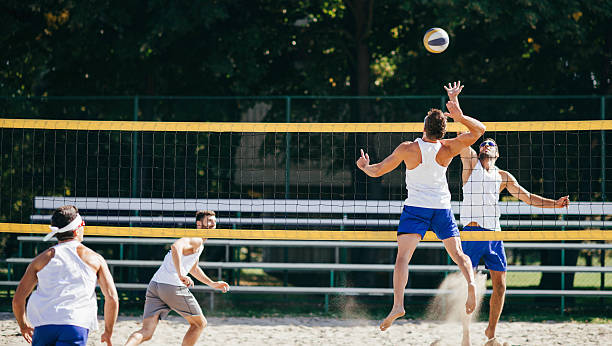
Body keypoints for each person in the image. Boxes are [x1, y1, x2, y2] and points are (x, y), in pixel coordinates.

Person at [356, 81, 485, 331]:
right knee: (459, 255)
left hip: (415, 208)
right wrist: (458, 112)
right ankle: (470, 283)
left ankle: (398, 305)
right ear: (444, 131)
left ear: (424, 128)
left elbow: (377, 171)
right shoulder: (449, 147)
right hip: (441, 208)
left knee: (403, 258)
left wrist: (363, 167)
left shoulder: (408, 148)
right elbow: (480, 130)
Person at [454, 91, 570, 346]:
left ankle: (490, 333)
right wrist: (457, 110)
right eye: (484, 144)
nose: (486, 146)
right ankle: (465, 336)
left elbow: (528, 197)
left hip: (494, 235)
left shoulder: (503, 176)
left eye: (491, 145)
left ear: (497, 154)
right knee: (468, 286)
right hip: (473, 233)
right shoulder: (471, 162)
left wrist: (556, 205)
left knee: (501, 284)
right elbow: (467, 137)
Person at [12, 205, 119, 345]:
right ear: (76, 229)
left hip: (44, 325)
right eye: (83, 224)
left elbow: (18, 299)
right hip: (75, 323)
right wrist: (108, 332)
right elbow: (112, 298)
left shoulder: (40, 260)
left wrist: (24, 326)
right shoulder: (94, 259)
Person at [125, 210, 230, 346]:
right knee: (199, 324)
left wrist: (212, 283)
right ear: (199, 224)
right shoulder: (196, 239)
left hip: (155, 285)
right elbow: (175, 247)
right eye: (209, 221)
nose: (213, 223)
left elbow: (193, 268)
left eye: (214, 221)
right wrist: (181, 274)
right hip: (171, 285)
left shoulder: (199, 243)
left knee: (146, 332)